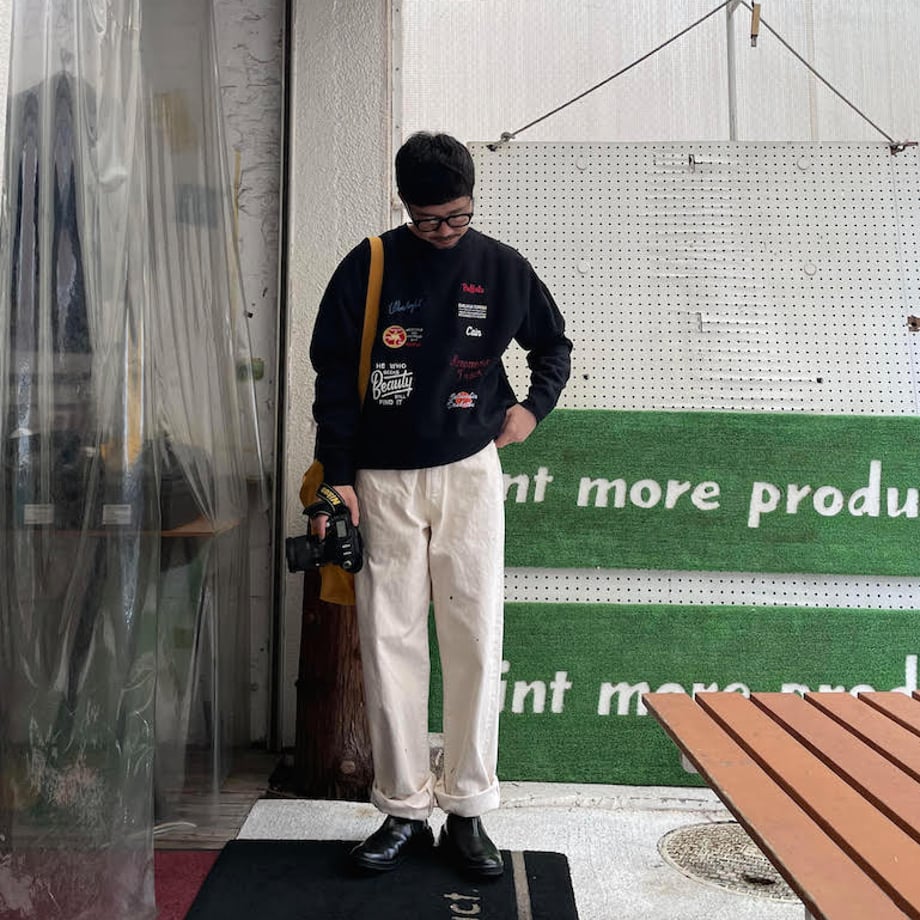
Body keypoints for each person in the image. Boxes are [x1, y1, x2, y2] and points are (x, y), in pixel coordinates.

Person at [309, 131, 571, 877]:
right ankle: (401, 808)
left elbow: (553, 346)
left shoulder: (502, 267)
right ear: (405, 206)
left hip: (469, 471)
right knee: (388, 642)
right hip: (382, 479)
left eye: (458, 215)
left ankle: (468, 809)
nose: (445, 231)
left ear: (471, 199)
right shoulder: (369, 265)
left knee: (474, 639)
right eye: (429, 220)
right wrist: (339, 476)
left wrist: (531, 410)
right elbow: (334, 378)